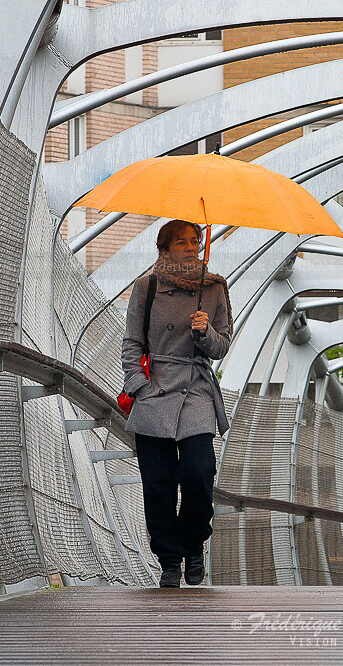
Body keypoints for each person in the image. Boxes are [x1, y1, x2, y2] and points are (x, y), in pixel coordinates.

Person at [121, 219, 233, 588]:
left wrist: (205, 332)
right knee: (158, 484)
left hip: (196, 389)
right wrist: (139, 386)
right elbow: (132, 343)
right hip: (155, 392)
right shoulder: (146, 287)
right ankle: (170, 560)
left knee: (200, 473)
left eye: (195, 240)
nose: (190, 246)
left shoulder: (215, 289)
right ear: (164, 248)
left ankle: (194, 545)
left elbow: (221, 347)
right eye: (181, 242)